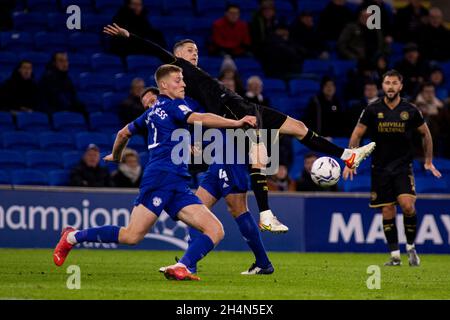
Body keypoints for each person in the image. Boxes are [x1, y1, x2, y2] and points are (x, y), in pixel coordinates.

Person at [103, 23, 376, 232]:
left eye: (196, 50)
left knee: (298, 126)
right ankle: (266, 214)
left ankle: (346, 155)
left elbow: (190, 116)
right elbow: (156, 53)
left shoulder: (190, 80)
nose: (194, 53)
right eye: (189, 50)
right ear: (176, 57)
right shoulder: (178, 70)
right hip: (233, 109)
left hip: (245, 104)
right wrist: (130, 37)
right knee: (259, 152)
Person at [54, 64, 257, 281]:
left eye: (183, 79)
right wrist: (236, 123)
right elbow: (200, 118)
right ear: (163, 85)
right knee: (132, 236)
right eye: (178, 80)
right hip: (160, 178)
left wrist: (116, 156)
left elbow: (123, 133)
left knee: (215, 230)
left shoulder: (151, 112)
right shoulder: (173, 106)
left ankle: (183, 267)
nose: (184, 83)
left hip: (178, 182)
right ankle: (72, 236)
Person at [343, 70, 442, 266]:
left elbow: (426, 134)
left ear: (401, 86)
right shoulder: (372, 109)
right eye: (387, 83)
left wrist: (428, 160)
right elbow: (357, 135)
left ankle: (411, 247)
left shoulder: (411, 110)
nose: (390, 86)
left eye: (394, 83)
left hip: (402, 167)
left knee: (407, 205)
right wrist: (350, 161)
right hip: (379, 168)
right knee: (387, 210)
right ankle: (395, 256)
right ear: (383, 86)